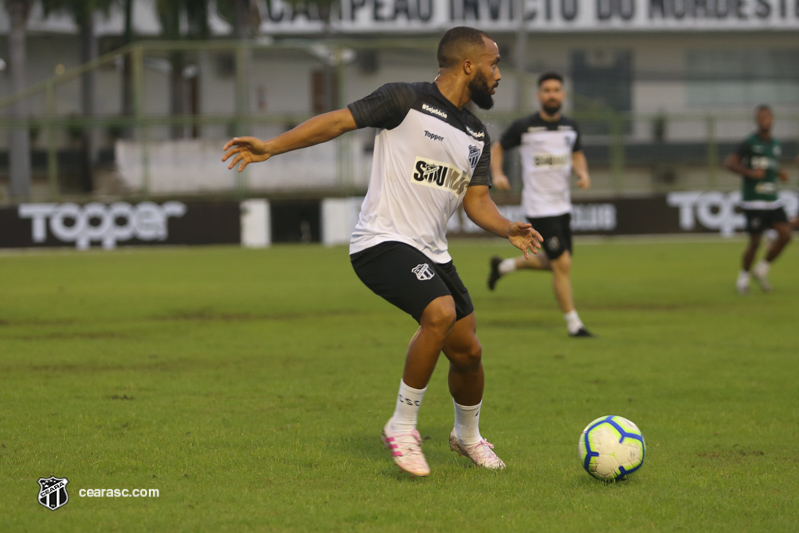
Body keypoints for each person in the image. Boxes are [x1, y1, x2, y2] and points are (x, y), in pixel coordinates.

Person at [222, 27, 542, 477]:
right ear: (468, 65)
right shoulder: (404, 99)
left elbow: (476, 202)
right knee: (439, 312)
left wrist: (508, 226)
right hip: (381, 242)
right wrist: (272, 147)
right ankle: (402, 425)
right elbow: (335, 121)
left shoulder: (476, 133)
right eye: (494, 64)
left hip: (434, 253)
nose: (499, 74)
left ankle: (466, 436)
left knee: (469, 353)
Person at [486, 72, 593, 338]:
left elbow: (577, 154)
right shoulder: (525, 127)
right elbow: (498, 148)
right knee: (563, 264)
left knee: (556, 263)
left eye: (556, 90)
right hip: (539, 209)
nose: (552, 94)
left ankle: (503, 267)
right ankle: (574, 325)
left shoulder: (571, 127)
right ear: (538, 95)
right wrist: (497, 174)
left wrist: (583, 172)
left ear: (563, 95)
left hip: (562, 207)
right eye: (546, 90)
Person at [723, 105, 791, 294]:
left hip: (772, 199)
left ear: (773, 119)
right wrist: (749, 173)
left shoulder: (775, 144)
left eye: (767, 117)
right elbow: (729, 163)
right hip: (754, 200)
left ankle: (761, 270)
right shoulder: (749, 143)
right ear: (756, 120)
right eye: (761, 117)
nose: (764, 120)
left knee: (786, 235)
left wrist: (780, 173)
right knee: (755, 242)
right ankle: (743, 278)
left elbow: (769, 166)